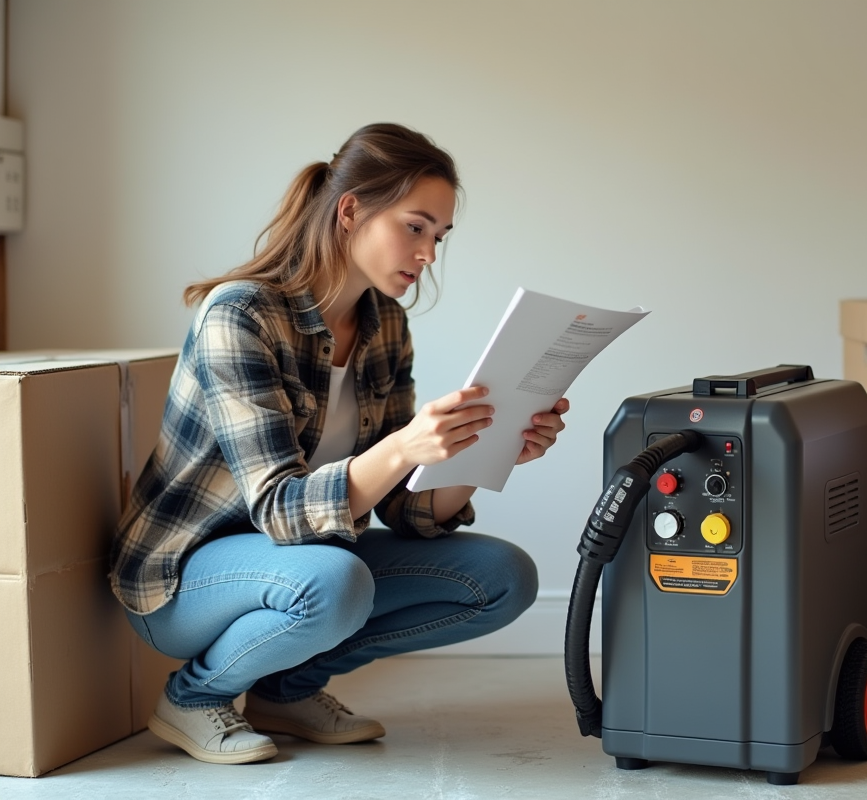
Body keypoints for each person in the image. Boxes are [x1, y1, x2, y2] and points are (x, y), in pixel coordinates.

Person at [109, 123, 567, 765]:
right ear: (351, 211)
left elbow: (403, 511)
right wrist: (406, 447)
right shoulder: (239, 315)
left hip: (308, 566)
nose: (429, 253)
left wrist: (485, 451)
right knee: (337, 579)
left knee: (502, 577)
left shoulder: (386, 326)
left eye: (440, 235)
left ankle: (285, 692)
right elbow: (281, 512)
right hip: (184, 577)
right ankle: (192, 697)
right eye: (415, 226)